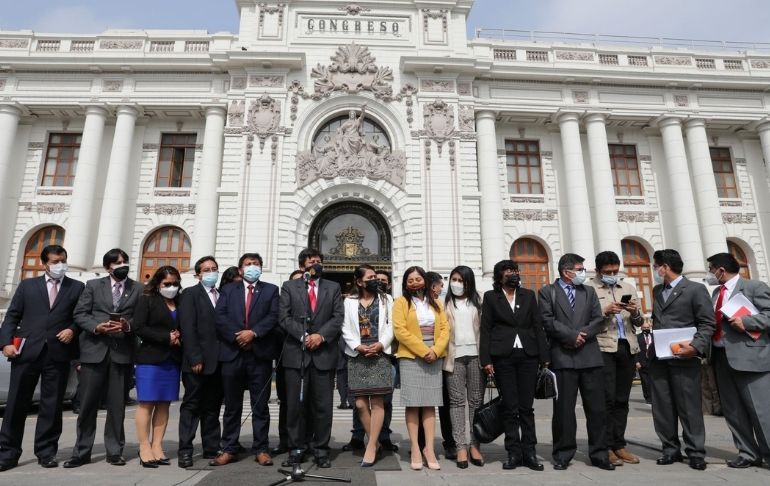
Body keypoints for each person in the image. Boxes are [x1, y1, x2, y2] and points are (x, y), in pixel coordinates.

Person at [0, 245, 84, 471]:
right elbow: (12, 316)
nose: (61, 265)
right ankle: (7, 453)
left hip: (57, 354)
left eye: (63, 260)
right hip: (26, 352)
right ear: (44, 264)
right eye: (56, 261)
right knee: (16, 404)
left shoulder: (76, 287)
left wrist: (72, 330)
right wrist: (5, 342)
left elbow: (81, 317)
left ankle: (46, 452)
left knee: (52, 405)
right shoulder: (28, 286)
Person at [65, 248, 140, 468]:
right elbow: (80, 314)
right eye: (117, 262)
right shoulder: (93, 286)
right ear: (108, 267)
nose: (122, 265)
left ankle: (115, 451)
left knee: (117, 406)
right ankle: (82, 451)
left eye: (125, 261)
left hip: (121, 354)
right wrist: (96, 327)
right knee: (87, 405)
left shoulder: (137, 288)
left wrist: (128, 326)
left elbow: (140, 318)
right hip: (94, 352)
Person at [539, 253, 612, 471]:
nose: (583, 272)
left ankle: (599, 453)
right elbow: (547, 320)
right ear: (566, 272)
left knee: (597, 410)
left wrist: (583, 334)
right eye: (580, 269)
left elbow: (598, 319)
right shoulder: (547, 292)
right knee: (563, 411)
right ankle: (563, 453)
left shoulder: (588, 291)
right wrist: (571, 336)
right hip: (562, 357)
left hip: (590, 356)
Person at [211, 253, 280, 467]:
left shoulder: (270, 290)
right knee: (232, 406)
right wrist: (239, 336)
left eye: (256, 264)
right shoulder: (229, 290)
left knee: (260, 406)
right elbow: (220, 317)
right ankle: (229, 447)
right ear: (240, 270)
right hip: (233, 354)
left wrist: (254, 333)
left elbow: (273, 316)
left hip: (259, 355)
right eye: (248, 264)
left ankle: (261, 448)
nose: (253, 267)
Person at [649, 249, 714, 471]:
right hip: (659, 358)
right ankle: (670, 449)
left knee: (689, 408)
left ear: (665, 267)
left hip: (685, 358)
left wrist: (695, 346)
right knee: (663, 408)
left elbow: (707, 323)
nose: (655, 270)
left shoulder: (695, 289)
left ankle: (696, 451)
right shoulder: (658, 290)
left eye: (656, 266)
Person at [480, 260, 549, 471]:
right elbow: (486, 329)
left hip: (528, 355)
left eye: (515, 271)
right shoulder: (491, 297)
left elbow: (538, 325)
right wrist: (486, 360)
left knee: (526, 407)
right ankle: (513, 452)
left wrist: (544, 355)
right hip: (503, 357)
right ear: (500, 275)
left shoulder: (528, 295)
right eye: (509, 271)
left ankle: (529, 452)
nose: (513, 274)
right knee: (509, 407)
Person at [279, 248, 344, 468]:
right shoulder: (289, 287)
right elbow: (284, 317)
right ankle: (296, 448)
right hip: (296, 355)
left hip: (323, 355)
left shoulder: (333, 287)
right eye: (311, 261)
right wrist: (304, 336)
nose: (315, 264)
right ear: (302, 266)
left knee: (323, 406)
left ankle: (321, 449)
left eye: (318, 261)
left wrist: (321, 336)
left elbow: (338, 318)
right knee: (296, 406)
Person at [706, 252, 770, 469]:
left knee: (760, 409)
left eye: (711, 270)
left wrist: (748, 322)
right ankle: (747, 452)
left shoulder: (754, 287)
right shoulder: (715, 292)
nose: (710, 274)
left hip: (751, 356)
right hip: (721, 357)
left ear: (721, 270)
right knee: (733, 410)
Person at [585, 251, 644, 466]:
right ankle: (605, 446)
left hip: (627, 346)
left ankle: (619, 444)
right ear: (599, 271)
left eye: (615, 271)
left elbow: (638, 321)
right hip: (603, 347)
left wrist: (635, 311)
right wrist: (605, 310)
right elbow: (586, 319)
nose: (612, 274)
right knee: (606, 399)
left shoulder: (627, 288)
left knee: (622, 399)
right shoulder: (589, 289)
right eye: (607, 272)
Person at [392, 266, 450, 471]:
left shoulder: (437, 303)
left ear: (424, 280)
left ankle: (429, 449)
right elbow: (399, 330)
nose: (415, 283)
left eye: (418, 279)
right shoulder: (400, 303)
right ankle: (416, 448)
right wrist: (422, 350)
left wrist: (435, 350)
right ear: (405, 284)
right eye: (410, 280)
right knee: (413, 404)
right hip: (411, 357)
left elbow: (445, 329)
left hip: (434, 356)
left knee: (430, 404)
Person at [341, 264, 394, 467]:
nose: (376, 280)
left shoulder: (386, 299)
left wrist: (381, 345)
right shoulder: (349, 301)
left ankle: (371, 446)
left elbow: (391, 326)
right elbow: (344, 327)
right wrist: (357, 346)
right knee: (361, 403)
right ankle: (376, 441)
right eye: (371, 277)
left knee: (378, 402)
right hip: (357, 355)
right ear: (359, 281)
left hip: (379, 353)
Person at [133, 266, 183, 468]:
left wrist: (180, 339)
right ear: (158, 284)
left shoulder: (181, 301)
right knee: (147, 403)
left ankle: (157, 446)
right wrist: (165, 338)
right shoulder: (147, 300)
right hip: (150, 360)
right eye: (167, 284)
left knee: (164, 404)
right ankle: (144, 447)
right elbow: (139, 327)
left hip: (172, 359)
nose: (171, 287)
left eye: (175, 283)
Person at [177, 256, 223, 468]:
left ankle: (211, 447)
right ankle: (185, 450)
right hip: (196, 362)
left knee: (212, 408)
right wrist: (195, 357)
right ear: (198, 274)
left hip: (218, 362)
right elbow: (188, 327)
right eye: (206, 269)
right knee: (192, 406)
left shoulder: (221, 295)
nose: (211, 272)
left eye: (214, 268)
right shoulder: (190, 294)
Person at [443, 265, 485, 469]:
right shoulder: (444, 303)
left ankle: (475, 444)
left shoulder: (479, 300)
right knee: (457, 402)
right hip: (454, 358)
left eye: (460, 280)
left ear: (468, 282)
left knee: (476, 401)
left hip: (476, 357)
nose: (456, 283)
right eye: (454, 279)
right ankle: (460, 446)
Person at [271, 269, 305, 457]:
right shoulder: (284, 301)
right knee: (287, 402)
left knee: (307, 403)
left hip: (310, 356)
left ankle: (306, 440)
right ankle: (286, 440)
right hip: (287, 357)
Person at [635, 319, 653, 404]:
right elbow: (635, 350)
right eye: (644, 327)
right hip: (642, 362)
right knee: (645, 381)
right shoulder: (637, 337)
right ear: (641, 328)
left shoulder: (654, 336)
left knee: (653, 381)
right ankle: (648, 397)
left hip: (653, 362)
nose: (646, 328)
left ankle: (654, 397)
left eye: (648, 327)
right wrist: (637, 362)